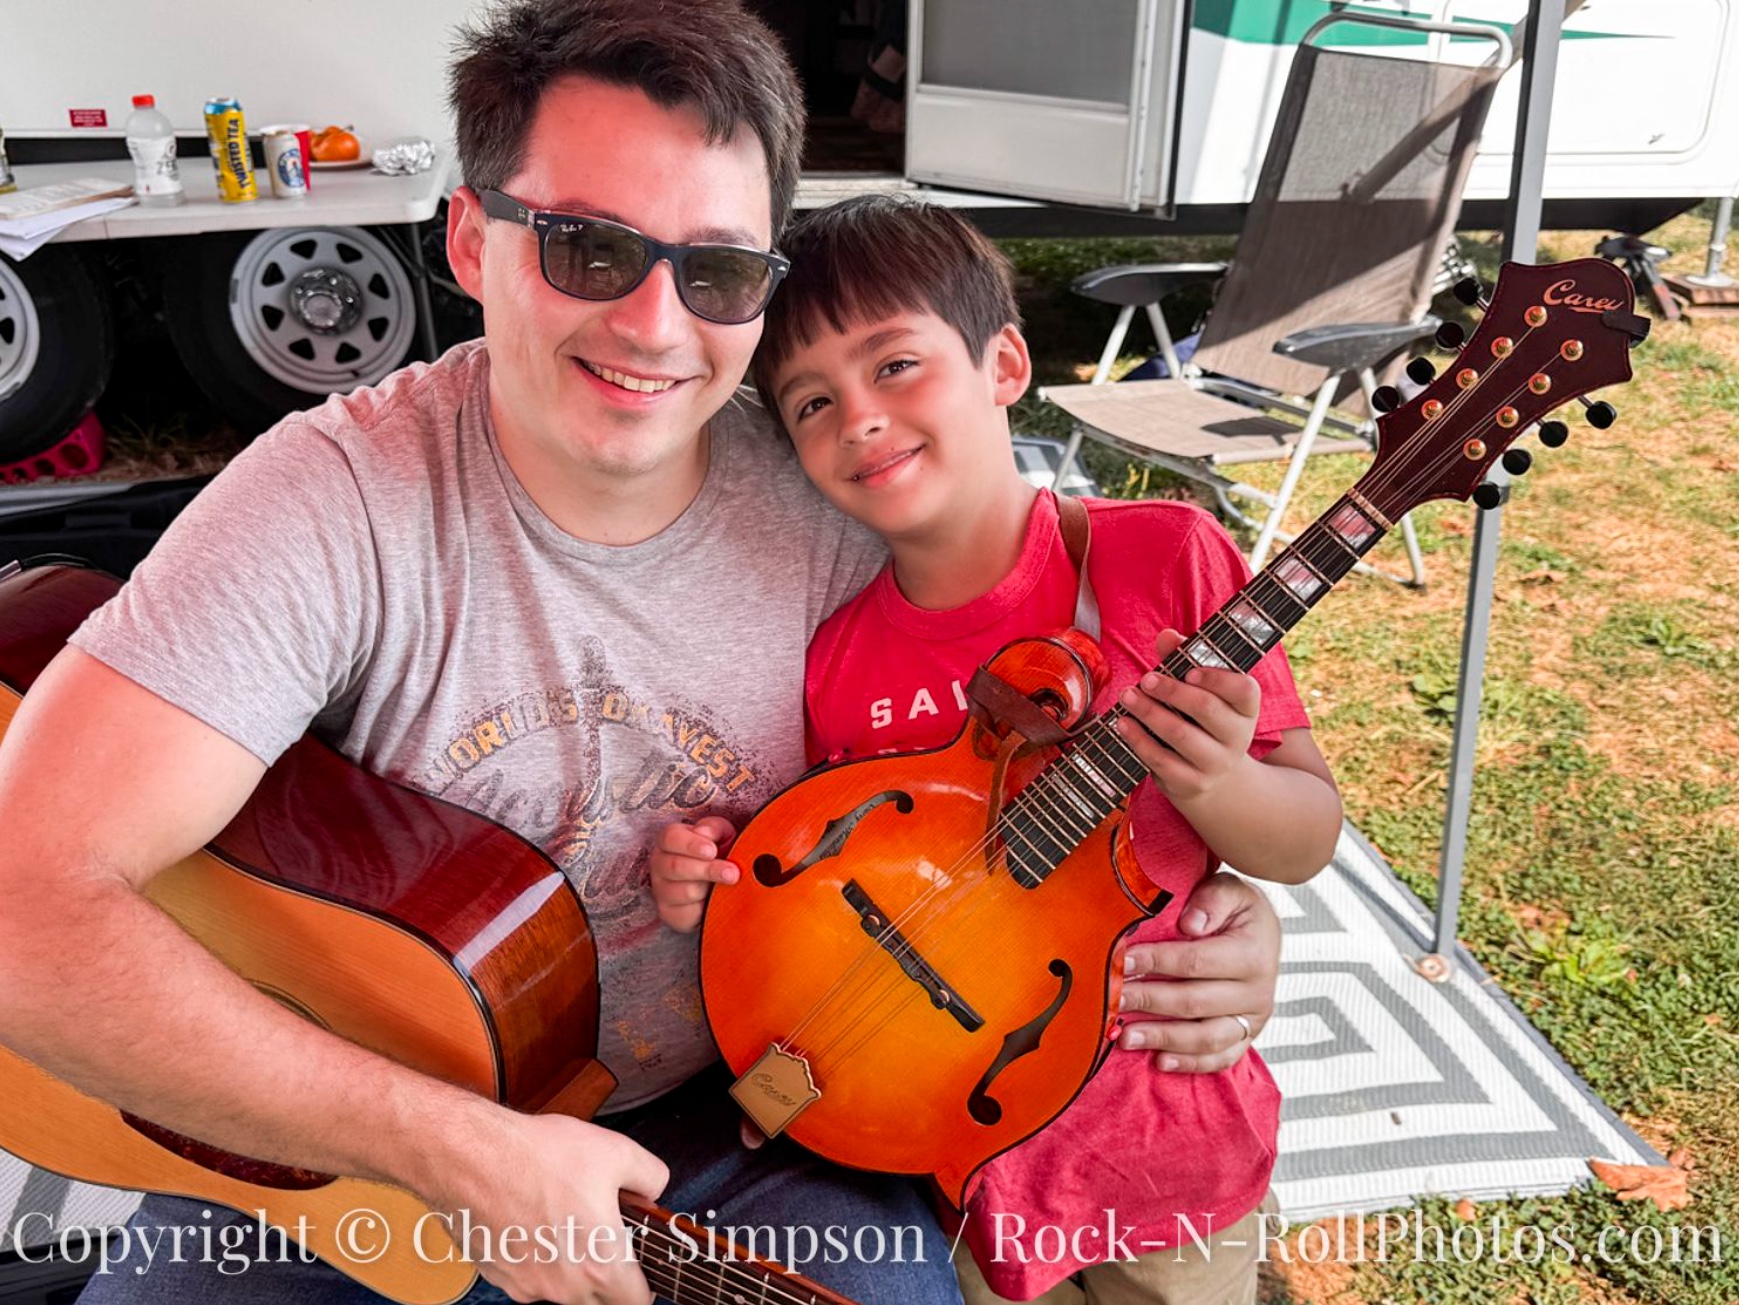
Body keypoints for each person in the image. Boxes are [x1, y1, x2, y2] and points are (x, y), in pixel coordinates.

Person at [0, 6, 1285, 1304]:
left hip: (738, 1121)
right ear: (467, 239)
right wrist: (448, 1147)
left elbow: (1036, 756)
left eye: (716, 271)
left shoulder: (835, 496)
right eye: (588, 247)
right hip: (339, 1146)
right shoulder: (333, 502)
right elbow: (22, 903)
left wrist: (1218, 909)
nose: (656, 325)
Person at [650, 196, 1343, 1305]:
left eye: (894, 366)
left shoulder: (1164, 562)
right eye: (812, 402)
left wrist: (1219, 781)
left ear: (1004, 362)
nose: (858, 419)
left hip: (1159, 1140)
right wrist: (716, 876)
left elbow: (1305, 837)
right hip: (947, 1157)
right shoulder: (837, 657)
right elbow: (826, 880)